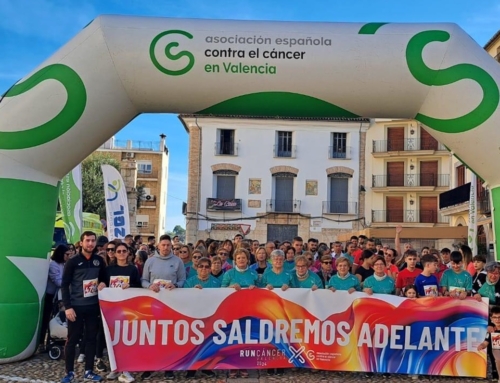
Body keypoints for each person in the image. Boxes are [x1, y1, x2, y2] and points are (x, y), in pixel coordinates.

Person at [60, 231, 107, 383]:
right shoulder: (72, 262)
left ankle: (89, 371)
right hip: (76, 307)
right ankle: (69, 373)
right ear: (81, 243)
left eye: (93, 241)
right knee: (72, 340)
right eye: (87, 240)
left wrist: (103, 283)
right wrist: (67, 307)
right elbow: (64, 285)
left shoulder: (99, 260)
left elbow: (104, 278)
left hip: (93, 307)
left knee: (91, 339)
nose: (90, 244)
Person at [141, 234, 186, 381]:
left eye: (168, 245)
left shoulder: (178, 261)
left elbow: (182, 279)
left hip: (171, 305)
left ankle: (169, 368)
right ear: (158, 246)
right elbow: (143, 279)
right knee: (152, 337)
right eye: (163, 245)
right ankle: (149, 366)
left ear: (171, 246)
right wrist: (149, 286)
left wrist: (176, 285)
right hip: (153, 304)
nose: (165, 248)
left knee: (168, 337)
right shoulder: (150, 261)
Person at [98, 243, 141, 383]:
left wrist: (131, 286)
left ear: (128, 253)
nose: (121, 253)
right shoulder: (108, 269)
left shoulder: (133, 269)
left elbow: (138, 286)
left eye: (124, 251)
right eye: (119, 251)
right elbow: (102, 282)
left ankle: (125, 369)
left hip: (128, 310)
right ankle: (115, 368)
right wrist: (102, 284)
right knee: (112, 339)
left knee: (125, 340)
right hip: (111, 309)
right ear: (114, 254)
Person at [221, 248, 257, 379]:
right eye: (238, 258)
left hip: (249, 310)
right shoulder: (229, 274)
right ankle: (232, 366)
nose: (241, 260)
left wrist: (255, 289)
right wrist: (230, 288)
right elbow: (221, 290)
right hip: (232, 310)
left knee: (246, 338)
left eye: (243, 258)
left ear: (248, 259)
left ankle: (243, 364)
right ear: (235, 260)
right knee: (232, 338)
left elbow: (262, 291)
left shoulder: (253, 274)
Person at [40, 245, 70, 351]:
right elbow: (57, 281)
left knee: (57, 318)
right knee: (46, 319)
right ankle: (42, 343)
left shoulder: (64, 264)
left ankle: (53, 340)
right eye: (67, 254)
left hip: (59, 296)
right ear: (61, 254)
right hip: (50, 296)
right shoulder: (53, 265)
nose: (68, 256)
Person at [477, 306, 500, 380]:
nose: (497, 319)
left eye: (499, 317)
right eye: (495, 317)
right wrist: (482, 345)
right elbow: (486, 342)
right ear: (491, 319)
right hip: (497, 352)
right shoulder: (490, 331)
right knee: (497, 358)